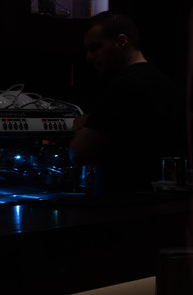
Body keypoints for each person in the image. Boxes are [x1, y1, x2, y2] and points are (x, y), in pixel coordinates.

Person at [70, 11, 187, 194]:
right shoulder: (168, 85)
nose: (89, 57)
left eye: (95, 47)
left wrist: (79, 127)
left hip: (122, 205)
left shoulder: (123, 87)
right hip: (163, 204)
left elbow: (78, 152)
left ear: (122, 41)